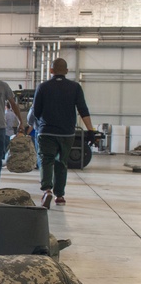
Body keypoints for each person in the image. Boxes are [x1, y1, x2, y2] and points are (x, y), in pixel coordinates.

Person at [27, 58, 95, 208]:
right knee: (62, 163)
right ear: (66, 71)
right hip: (67, 134)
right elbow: (83, 110)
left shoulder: (42, 87)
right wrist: (91, 130)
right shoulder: (75, 87)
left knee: (46, 160)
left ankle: (47, 190)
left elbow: (36, 111)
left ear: (51, 71)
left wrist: (33, 126)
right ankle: (60, 196)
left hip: (46, 132)